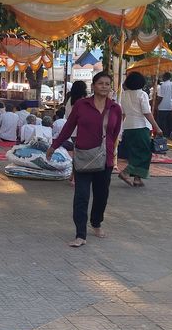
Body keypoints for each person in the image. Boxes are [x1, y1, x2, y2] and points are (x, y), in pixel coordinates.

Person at [47, 72, 123, 248]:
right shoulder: (82, 105)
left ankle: (96, 223)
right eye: (100, 83)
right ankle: (80, 234)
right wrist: (54, 146)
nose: (104, 86)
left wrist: (111, 153)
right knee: (81, 196)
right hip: (83, 158)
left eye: (107, 84)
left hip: (105, 160)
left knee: (101, 196)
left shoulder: (115, 108)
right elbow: (68, 127)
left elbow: (115, 133)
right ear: (94, 86)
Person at [119, 71, 163, 187]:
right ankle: (126, 172)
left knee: (135, 153)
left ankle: (137, 179)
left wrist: (120, 129)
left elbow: (123, 113)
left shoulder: (124, 95)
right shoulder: (142, 94)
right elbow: (147, 112)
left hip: (128, 127)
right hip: (141, 126)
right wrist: (157, 127)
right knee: (145, 153)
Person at [157, 72, 172, 137]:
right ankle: (168, 134)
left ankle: (163, 135)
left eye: (162, 77)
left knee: (162, 122)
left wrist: (156, 105)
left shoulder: (163, 85)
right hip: (171, 107)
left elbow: (160, 97)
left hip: (162, 107)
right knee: (169, 122)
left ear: (165, 77)